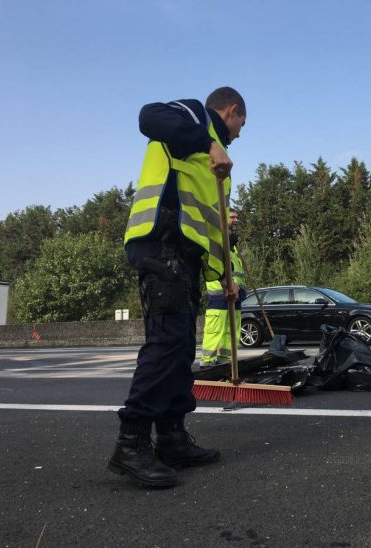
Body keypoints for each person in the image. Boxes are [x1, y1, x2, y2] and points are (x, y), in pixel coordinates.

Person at [108, 87, 247, 488]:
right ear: (232, 111)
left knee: (182, 347)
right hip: (160, 242)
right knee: (167, 342)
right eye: (241, 124)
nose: (239, 134)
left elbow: (212, 227)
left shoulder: (218, 162)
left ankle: (170, 437)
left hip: (184, 256)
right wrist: (208, 142)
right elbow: (148, 117)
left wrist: (225, 276)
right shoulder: (193, 115)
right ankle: (131, 442)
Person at [200, 208, 247, 367]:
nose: (236, 220)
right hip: (220, 293)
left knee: (232, 331)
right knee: (215, 330)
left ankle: (226, 362)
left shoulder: (232, 244)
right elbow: (215, 266)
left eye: (237, 217)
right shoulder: (216, 240)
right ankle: (207, 363)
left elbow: (236, 272)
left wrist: (238, 288)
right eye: (232, 217)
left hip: (237, 293)